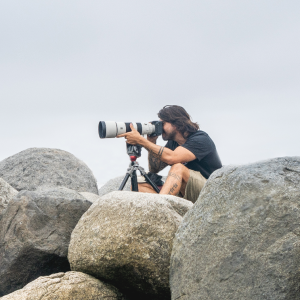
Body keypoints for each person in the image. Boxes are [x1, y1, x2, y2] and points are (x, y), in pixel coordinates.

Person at [117, 105, 222, 203]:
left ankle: (161, 207)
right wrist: (152, 141)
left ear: (176, 124)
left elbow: (172, 158)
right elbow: (155, 168)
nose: (160, 127)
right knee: (138, 188)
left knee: (178, 167)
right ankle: (163, 207)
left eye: (162, 124)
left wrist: (141, 141)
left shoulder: (201, 139)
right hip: (185, 191)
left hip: (209, 191)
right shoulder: (173, 143)